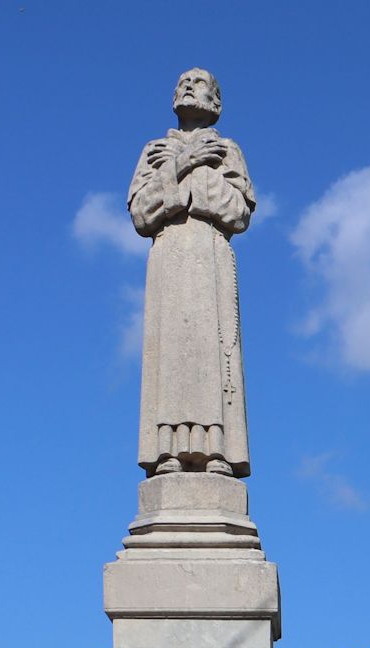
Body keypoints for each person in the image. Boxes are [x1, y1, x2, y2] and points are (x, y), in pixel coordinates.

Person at [128, 68, 254, 478]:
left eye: (198, 83)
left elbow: (238, 212)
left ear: (215, 102)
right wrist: (180, 163)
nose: (186, 86)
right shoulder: (154, 151)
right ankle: (167, 455)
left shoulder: (227, 151)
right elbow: (141, 212)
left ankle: (217, 453)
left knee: (212, 359)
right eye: (181, 81)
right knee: (171, 358)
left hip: (210, 255)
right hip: (168, 259)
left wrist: (194, 172)